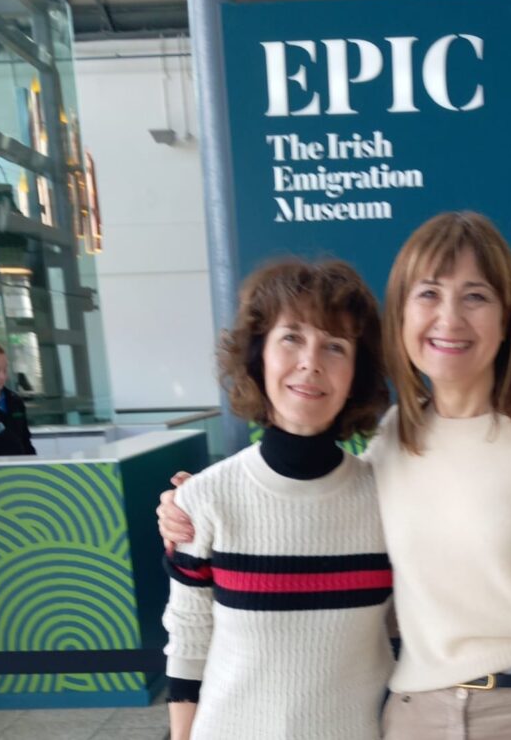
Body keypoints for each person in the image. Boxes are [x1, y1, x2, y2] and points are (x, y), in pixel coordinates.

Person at [160, 213, 511, 739]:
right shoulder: (391, 445)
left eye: (476, 296)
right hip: (419, 717)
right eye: (429, 293)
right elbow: (203, 621)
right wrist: (186, 507)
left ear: (507, 318)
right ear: (403, 316)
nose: (450, 318)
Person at [162, 259, 393, 740]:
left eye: (335, 345)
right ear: (258, 356)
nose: (311, 361)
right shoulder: (204, 497)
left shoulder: (388, 498)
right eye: (291, 338)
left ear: (357, 374)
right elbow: (189, 636)